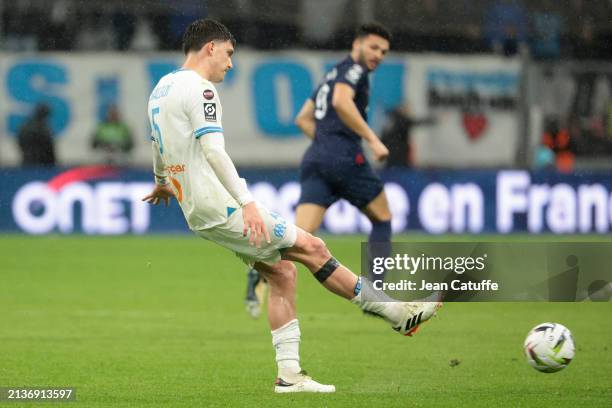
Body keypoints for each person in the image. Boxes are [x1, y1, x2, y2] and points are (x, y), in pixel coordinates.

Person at [142, 19, 440, 394]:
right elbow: (214, 151)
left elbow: (156, 141)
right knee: (314, 248)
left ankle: (289, 375)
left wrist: (161, 181)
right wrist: (246, 203)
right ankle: (397, 314)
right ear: (211, 48)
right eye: (229, 54)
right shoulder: (200, 89)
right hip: (224, 206)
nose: (230, 64)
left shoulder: (161, 88)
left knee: (283, 273)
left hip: (197, 211)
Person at [245, 23, 394, 317]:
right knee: (383, 218)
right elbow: (341, 101)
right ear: (358, 43)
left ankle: (258, 270)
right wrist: (372, 139)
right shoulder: (354, 70)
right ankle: (375, 294)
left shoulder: (331, 73)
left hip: (316, 160)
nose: (378, 55)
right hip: (347, 160)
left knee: (299, 238)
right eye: (374, 47)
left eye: (384, 52)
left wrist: (326, 145)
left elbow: (303, 118)